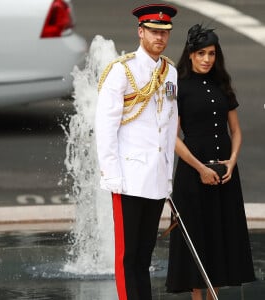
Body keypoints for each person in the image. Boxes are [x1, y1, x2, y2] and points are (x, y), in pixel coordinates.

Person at [165, 24, 256, 300]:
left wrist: (232, 162)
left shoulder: (222, 84)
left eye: (212, 54)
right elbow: (172, 136)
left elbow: (236, 130)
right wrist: (200, 168)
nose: (207, 59)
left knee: (220, 235)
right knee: (196, 237)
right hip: (193, 174)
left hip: (225, 173)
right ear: (190, 54)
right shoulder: (177, 86)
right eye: (201, 53)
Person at [95, 3, 178, 300]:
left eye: (164, 32)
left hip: (155, 178)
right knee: (128, 257)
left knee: (144, 255)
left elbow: (168, 129)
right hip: (128, 176)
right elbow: (105, 127)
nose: (160, 38)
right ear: (140, 32)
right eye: (154, 32)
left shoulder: (170, 72)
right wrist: (111, 174)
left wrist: (168, 177)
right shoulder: (122, 71)